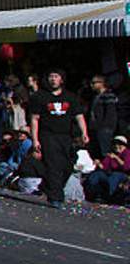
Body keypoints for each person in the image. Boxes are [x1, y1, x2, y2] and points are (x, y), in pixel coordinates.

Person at [28, 68, 87, 210]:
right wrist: (35, 139)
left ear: (61, 79)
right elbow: (35, 119)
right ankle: (56, 198)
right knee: (53, 165)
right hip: (48, 135)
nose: (53, 79)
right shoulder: (40, 97)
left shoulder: (70, 97)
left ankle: (48, 185)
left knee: (67, 165)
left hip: (66, 135)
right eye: (51, 76)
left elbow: (79, 115)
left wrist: (84, 132)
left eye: (56, 76)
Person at [84, 135, 130, 203]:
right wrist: (98, 163)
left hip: (123, 174)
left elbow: (126, 167)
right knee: (97, 174)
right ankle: (91, 192)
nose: (117, 146)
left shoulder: (127, 153)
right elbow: (104, 167)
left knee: (115, 176)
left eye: (120, 144)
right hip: (109, 173)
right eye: (115, 144)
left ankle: (109, 196)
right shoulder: (111, 154)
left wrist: (116, 158)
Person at [87, 74, 119, 159]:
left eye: (94, 83)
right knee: (97, 151)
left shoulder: (108, 95)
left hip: (104, 128)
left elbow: (111, 112)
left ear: (101, 83)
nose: (91, 85)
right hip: (95, 128)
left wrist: (106, 126)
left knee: (105, 151)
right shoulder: (95, 97)